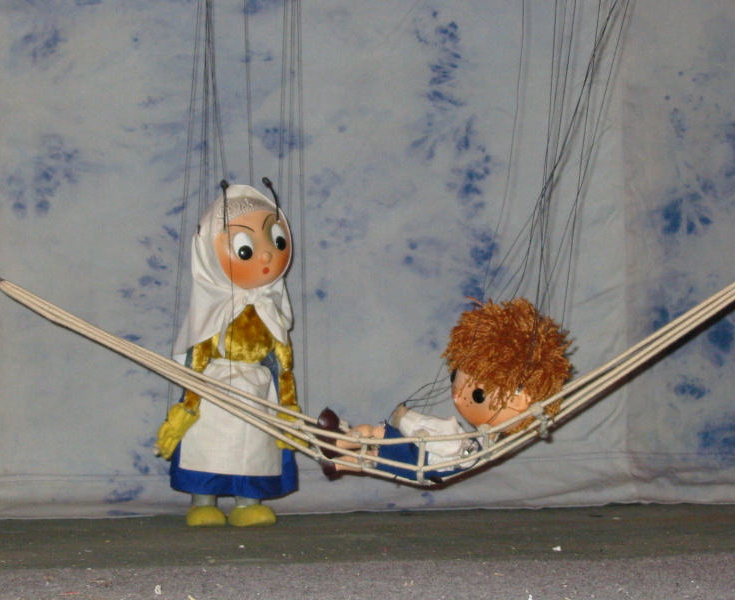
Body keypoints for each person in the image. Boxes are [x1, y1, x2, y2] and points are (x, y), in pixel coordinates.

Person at [154, 183, 301, 527]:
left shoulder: (270, 308)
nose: (266, 256)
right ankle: (203, 500)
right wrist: (189, 404)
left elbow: (283, 362)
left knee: (254, 446)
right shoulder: (212, 310)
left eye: (277, 242)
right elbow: (198, 356)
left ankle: (248, 501)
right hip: (214, 387)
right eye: (247, 248)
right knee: (209, 443)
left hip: (257, 391)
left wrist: (288, 407)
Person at [317, 297, 572, 481]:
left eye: (477, 395)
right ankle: (336, 465)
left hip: (421, 459)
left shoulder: (461, 441)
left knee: (374, 433)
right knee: (373, 457)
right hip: (420, 462)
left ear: (517, 402)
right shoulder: (482, 443)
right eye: (454, 378)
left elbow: (439, 438)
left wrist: (406, 419)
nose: (458, 397)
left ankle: (336, 442)